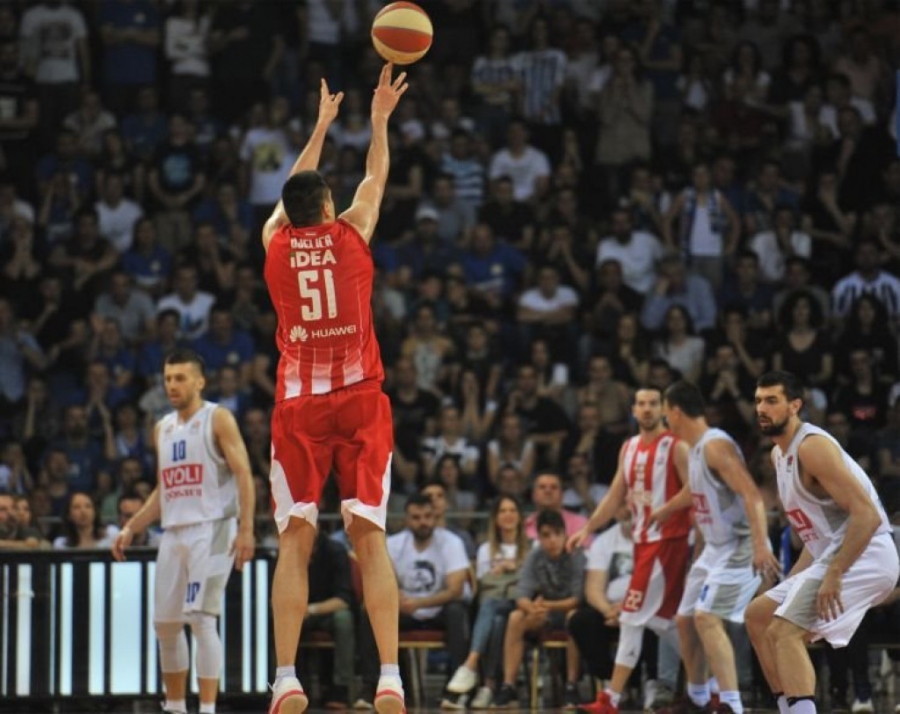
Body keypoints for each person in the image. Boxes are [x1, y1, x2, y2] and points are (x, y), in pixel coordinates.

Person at [260, 65, 409, 714]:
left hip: (299, 404)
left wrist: (318, 127)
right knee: (368, 535)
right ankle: (390, 677)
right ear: (328, 207)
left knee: (295, 540)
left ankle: (286, 678)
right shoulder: (351, 235)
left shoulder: (274, 244)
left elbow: (288, 196)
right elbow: (376, 177)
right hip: (360, 399)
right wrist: (377, 120)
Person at [746, 371, 900, 714]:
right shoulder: (778, 456)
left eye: (771, 400)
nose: (761, 408)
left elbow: (867, 516)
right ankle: (789, 709)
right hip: (835, 554)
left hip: (868, 553)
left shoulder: (811, 447)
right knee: (758, 616)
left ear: (795, 405)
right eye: (757, 401)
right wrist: (790, 585)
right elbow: (815, 538)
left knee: (785, 632)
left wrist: (835, 572)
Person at [111, 349, 256, 714]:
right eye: (167, 379)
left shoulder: (217, 418)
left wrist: (247, 529)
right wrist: (131, 527)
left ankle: (206, 709)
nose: (172, 385)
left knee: (201, 619)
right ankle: (175, 706)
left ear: (199, 381)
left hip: (213, 527)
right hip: (174, 532)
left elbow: (244, 473)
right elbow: (164, 490)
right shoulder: (162, 428)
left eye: (180, 378)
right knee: (165, 626)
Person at [658, 381, 781, 714]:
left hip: (741, 544)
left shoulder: (715, 446)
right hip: (715, 548)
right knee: (684, 619)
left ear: (676, 412)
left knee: (707, 617)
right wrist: (665, 510)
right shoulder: (695, 448)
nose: (665, 420)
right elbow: (694, 490)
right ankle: (697, 698)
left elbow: (752, 494)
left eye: (665, 413)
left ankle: (731, 704)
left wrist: (760, 545)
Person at [568, 387, 692, 714]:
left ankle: (611, 698)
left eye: (653, 403)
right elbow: (614, 496)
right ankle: (709, 688)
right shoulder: (629, 447)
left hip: (667, 543)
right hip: (643, 543)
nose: (647, 409)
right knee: (662, 622)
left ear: (663, 409)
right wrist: (587, 528)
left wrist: (668, 511)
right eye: (641, 404)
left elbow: (696, 489)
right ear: (633, 410)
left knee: (632, 617)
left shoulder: (676, 446)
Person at [493, 508, 585, 709]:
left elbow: (577, 599)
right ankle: (509, 685)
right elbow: (521, 596)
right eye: (546, 535)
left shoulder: (576, 555)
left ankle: (571, 685)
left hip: (568, 611)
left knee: (574, 617)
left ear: (565, 533)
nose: (552, 540)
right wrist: (533, 608)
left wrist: (545, 605)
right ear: (539, 538)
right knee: (516, 617)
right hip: (544, 613)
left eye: (557, 534)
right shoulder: (534, 556)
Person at [445, 495, 531, 709]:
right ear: (495, 518)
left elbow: (531, 583)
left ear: (520, 517)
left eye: (512, 510)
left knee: (493, 607)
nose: (508, 515)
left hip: (520, 605)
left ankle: (471, 665)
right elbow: (484, 585)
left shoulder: (531, 547)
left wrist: (509, 570)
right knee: (498, 619)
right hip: (495, 606)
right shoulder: (486, 549)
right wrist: (515, 573)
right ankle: (490, 686)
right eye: (503, 511)